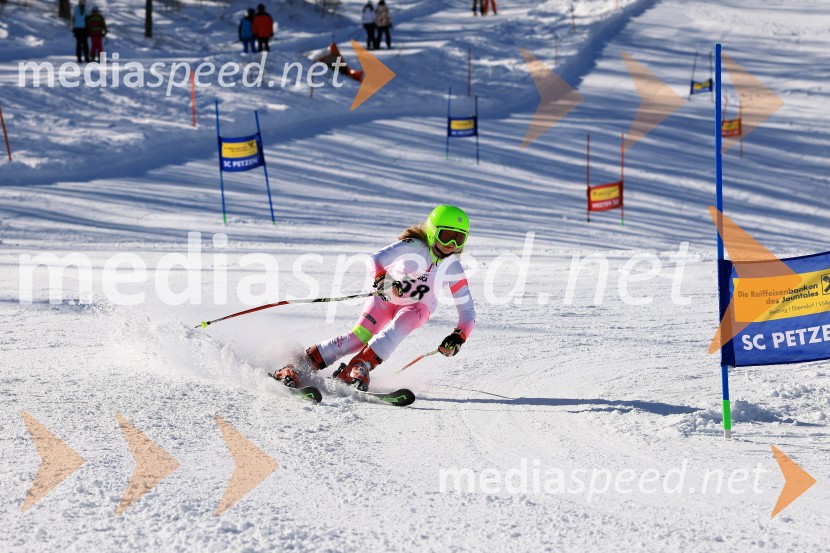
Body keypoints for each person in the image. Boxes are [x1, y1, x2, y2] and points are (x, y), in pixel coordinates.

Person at [273, 205, 476, 392]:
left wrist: (459, 336)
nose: (451, 244)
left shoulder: (453, 268)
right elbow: (375, 259)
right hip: (386, 298)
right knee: (357, 338)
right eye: (447, 236)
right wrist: (383, 280)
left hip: (417, 307)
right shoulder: (412, 246)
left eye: (458, 239)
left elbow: (467, 311)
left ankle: (359, 366)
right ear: (433, 232)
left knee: (399, 329)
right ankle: (302, 363)